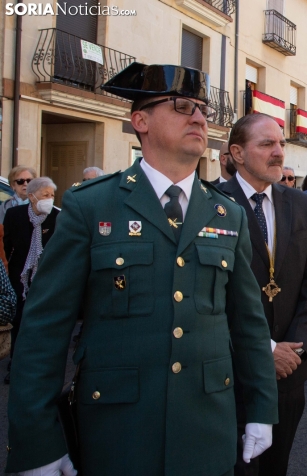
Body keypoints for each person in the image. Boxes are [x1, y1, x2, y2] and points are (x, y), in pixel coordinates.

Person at [5, 63, 278, 476]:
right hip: (119, 433)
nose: (200, 117)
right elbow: (45, 328)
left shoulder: (228, 213)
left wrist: (261, 406)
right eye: (183, 106)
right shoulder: (91, 205)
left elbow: (248, 323)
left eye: (203, 109)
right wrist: (38, 441)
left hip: (205, 431)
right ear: (141, 121)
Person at [217, 113, 307, 476]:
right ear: (238, 152)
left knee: (276, 467)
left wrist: (293, 349)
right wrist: (264, 349)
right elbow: (211, 293)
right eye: (266, 144)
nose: (279, 152)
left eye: (281, 143)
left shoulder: (301, 203)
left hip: (289, 371)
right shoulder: (212, 203)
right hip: (230, 368)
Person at [3, 176, 59, 384]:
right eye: (45, 195)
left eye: (52, 195)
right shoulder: (14, 215)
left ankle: (41, 367)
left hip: (46, 280)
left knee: (43, 324)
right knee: (19, 322)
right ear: (32, 196)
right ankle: (15, 365)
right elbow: (7, 246)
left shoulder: (58, 217)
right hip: (20, 278)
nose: (49, 199)